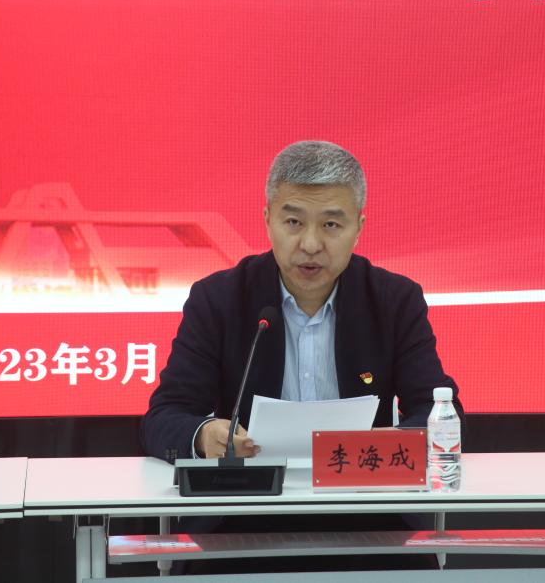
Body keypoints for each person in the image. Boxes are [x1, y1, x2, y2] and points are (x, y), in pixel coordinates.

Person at [141, 140, 463, 463]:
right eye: (294, 222)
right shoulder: (218, 300)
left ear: (358, 229)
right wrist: (203, 435)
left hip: (359, 490)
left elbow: (441, 411)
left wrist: (396, 441)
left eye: (331, 225)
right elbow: (164, 417)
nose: (310, 244)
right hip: (252, 490)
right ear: (268, 220)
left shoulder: (395, 302)